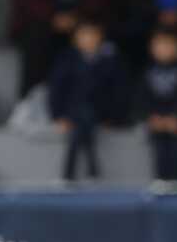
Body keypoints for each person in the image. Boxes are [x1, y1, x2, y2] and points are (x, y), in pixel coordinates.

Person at [47, 18, 126, 182]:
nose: (88, 39)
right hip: (73, 112)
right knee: (81, 123)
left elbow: (117, 92)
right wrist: (58, 116)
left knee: (83, 121)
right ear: (75, 38)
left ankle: (70, 174)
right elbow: (57, 90)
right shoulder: (66, 59)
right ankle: (91, 170)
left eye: (92, 35)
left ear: (100, 37)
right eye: (84, 35)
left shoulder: (110, 61)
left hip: (99, 112)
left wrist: (113, 117)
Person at [138, 26, 177, 185]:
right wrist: (153, 117)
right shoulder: (147, 70)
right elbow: (143, 97)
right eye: (160, 44)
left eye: (168, 44)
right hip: (156, 123)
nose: (164, 49)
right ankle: (161, 187)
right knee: (159, 159)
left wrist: (176, 116)